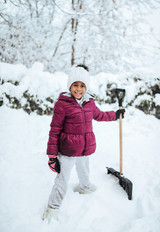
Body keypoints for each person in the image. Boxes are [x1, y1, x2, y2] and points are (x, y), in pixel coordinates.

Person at [42, 64, 125, 222]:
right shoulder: (62, 104)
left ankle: (84, 188)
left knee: (84, 170)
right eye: (75, 85)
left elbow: (99, 115)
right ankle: (53, 207)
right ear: (70, 86)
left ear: (86, 87)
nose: (78, 89)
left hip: (85, 147)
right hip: (67, 150)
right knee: (62, 179)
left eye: (82, 85)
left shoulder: (89, 102)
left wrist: (115, 115)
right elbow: (54, 130)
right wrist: (52, 156)